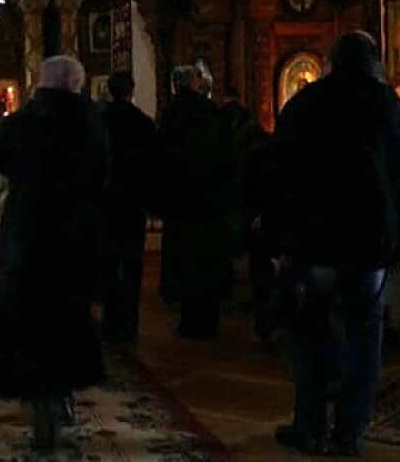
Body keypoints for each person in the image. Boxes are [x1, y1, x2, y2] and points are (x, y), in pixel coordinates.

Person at [270, 31, 400, 456]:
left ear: (332, 63)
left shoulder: (305, 105)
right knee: (363, 335)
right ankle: (349, 431)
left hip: (315, 239)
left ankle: (310, 426)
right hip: (370, 242)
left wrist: (278, 237)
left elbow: (281, 176)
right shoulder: (391, 108)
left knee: (312, 334)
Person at [0, 56, 109, 454]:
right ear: (77, 84)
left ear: (41, 83)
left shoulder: (20, 123)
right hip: (76, 235)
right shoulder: (92, 122)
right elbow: (106, 177)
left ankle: (37, 397)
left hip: (27, 234)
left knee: (27, 317)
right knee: (71, 314)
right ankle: (62, 390)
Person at [155, 64, 241, 340]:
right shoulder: (212, 112)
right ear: (195, 84)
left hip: (181, 201)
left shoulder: (170, 115)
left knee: (185, 261)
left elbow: (162, 160)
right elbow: (228, 156)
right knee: (208, 261)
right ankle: (209, 320)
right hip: (211, 200)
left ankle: (188, 320)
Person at [99, 71, 159, 347]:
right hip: (133, 201)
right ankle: (129, 322)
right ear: (131, 91)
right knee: (132, 263)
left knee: (108, 262)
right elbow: (151, 165)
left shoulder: (99, 121)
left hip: (105, 200)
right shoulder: (143, 123)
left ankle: (110, 321)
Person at [217, 87, 277, 339]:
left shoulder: (219, 126)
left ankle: (231, 294)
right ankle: (264, 316)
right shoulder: (255, 134)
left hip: (233, 198)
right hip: (255, 203)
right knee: (260, 262)